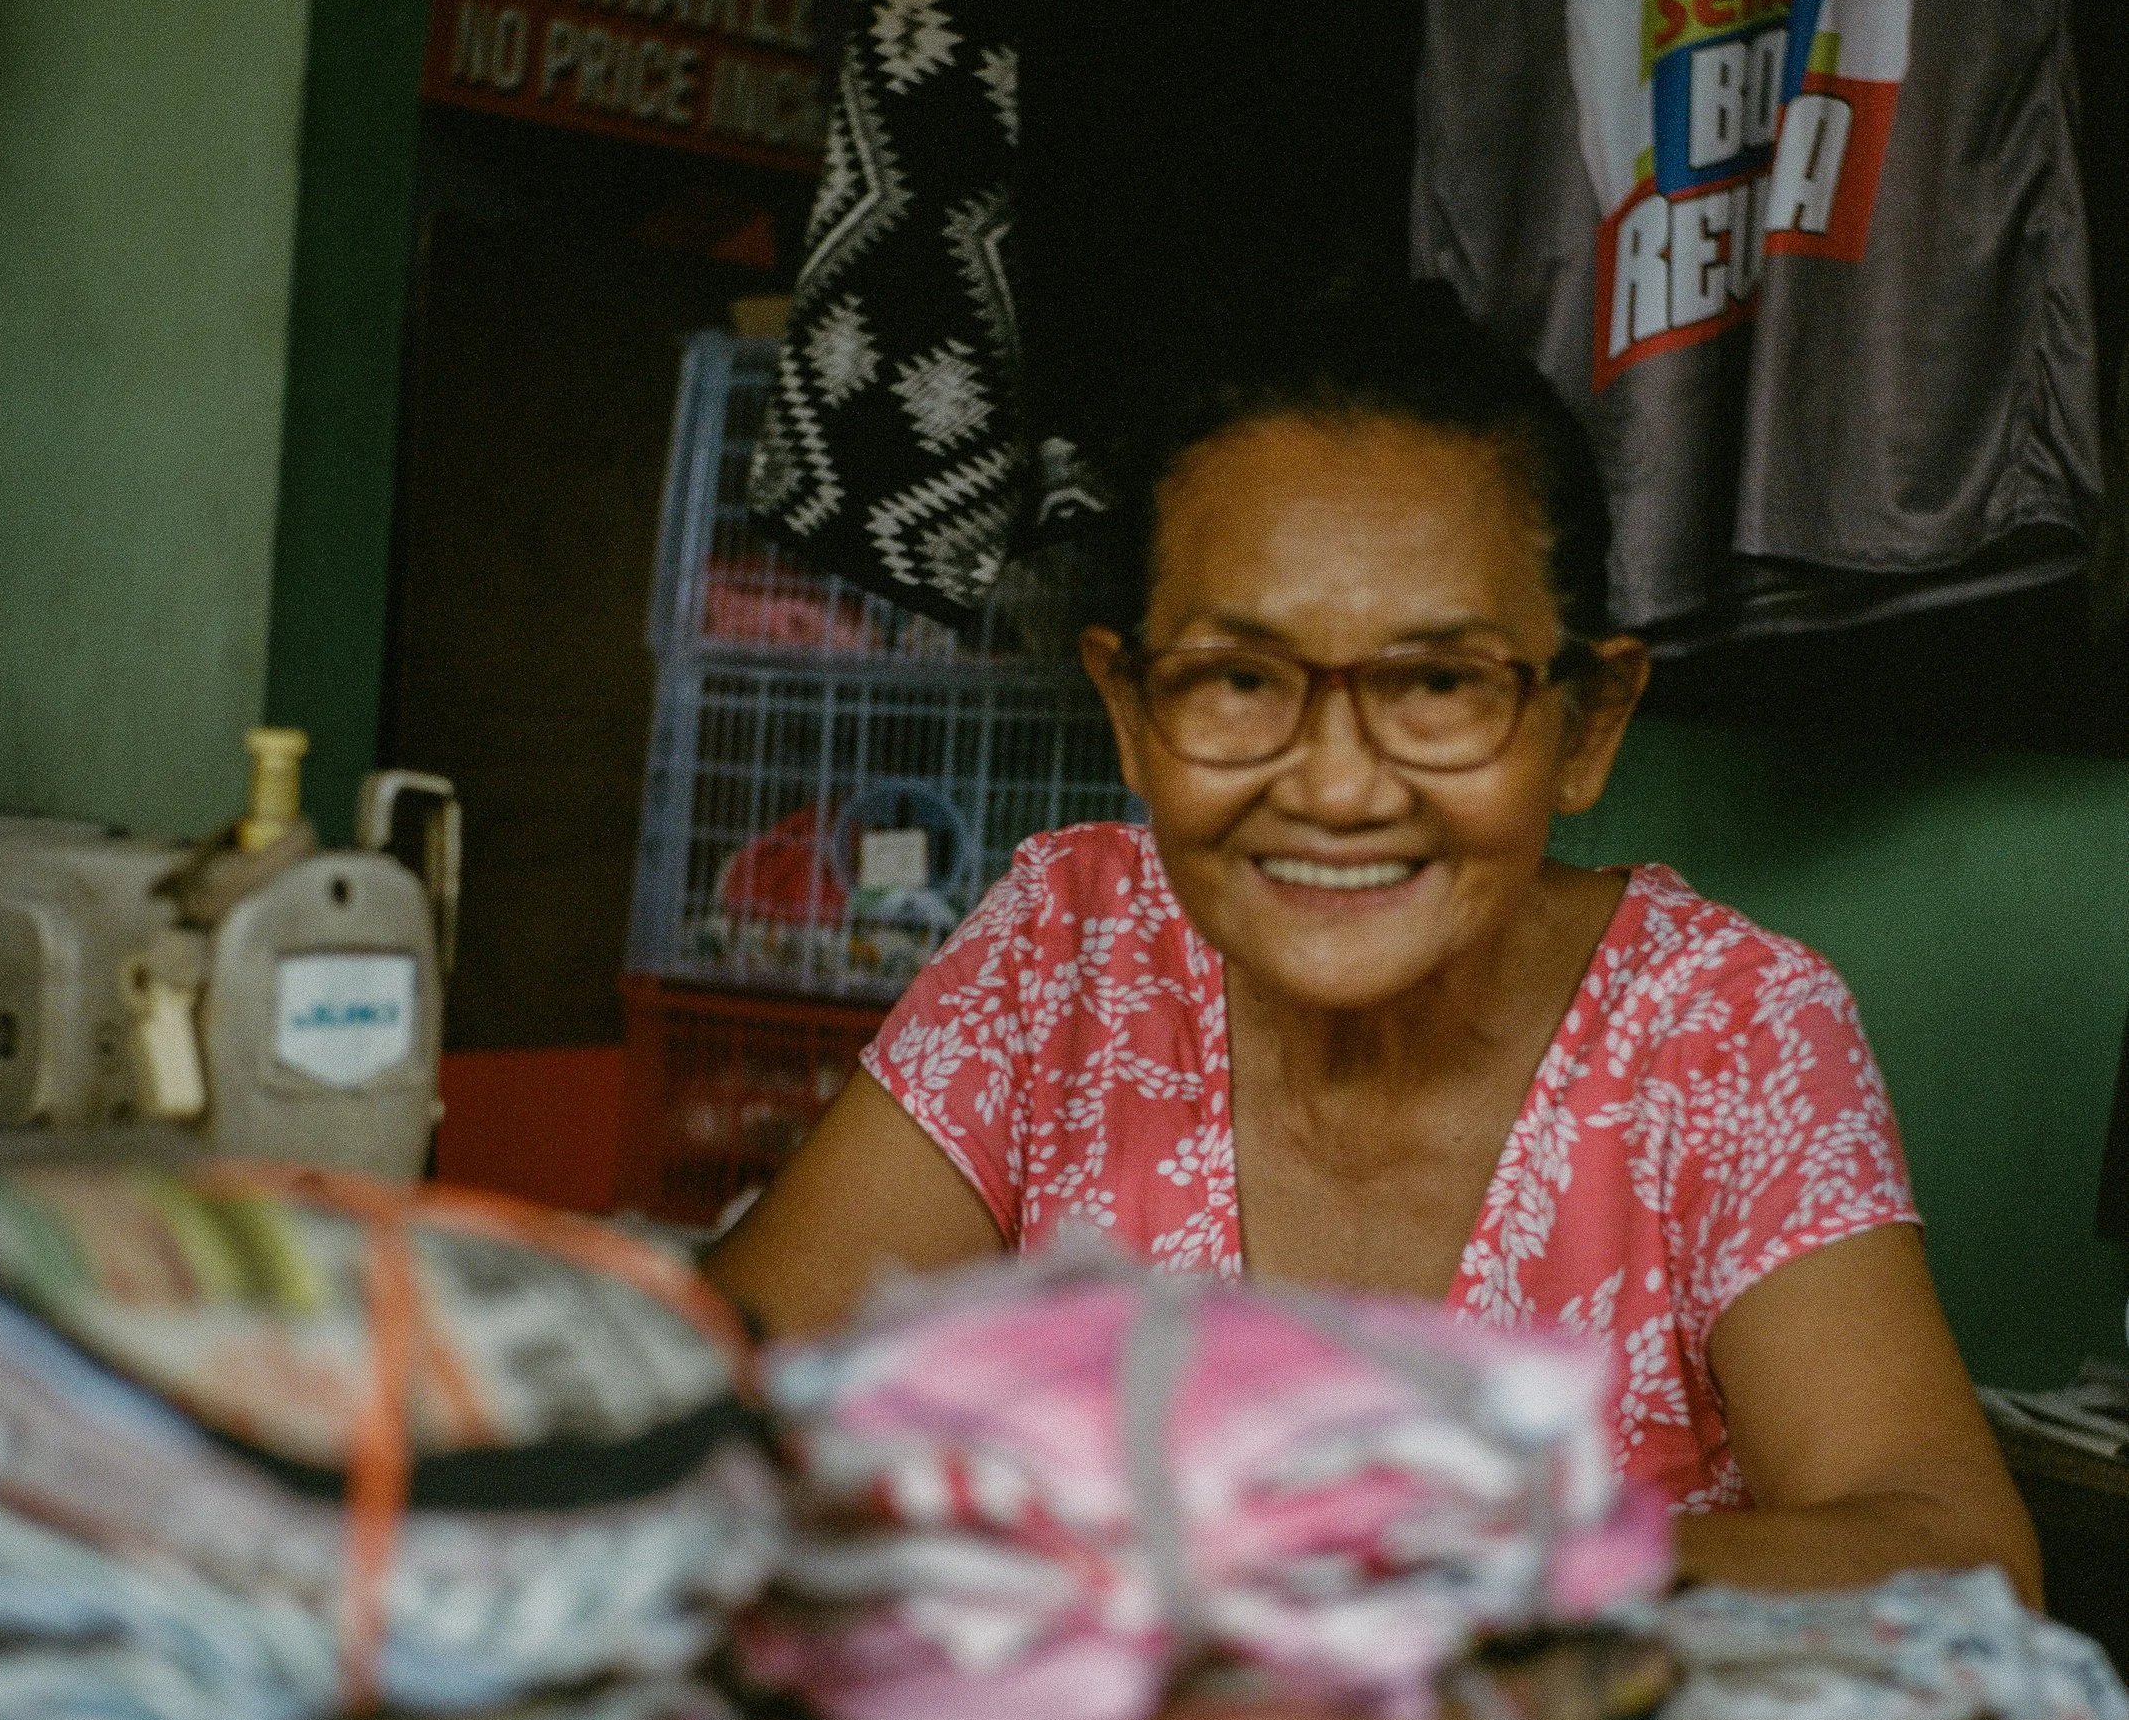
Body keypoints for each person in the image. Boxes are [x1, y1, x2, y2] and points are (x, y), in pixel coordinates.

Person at [705, 285, 2038, 1611]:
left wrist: (1466, 1564)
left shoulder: (1728, 1030)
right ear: (1130, 709)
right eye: (1238, 679)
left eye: (1441, 684)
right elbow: (710, 1411)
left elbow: (1954, 1549)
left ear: (1585, 724)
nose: (1338, 787)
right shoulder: (1063, 957)